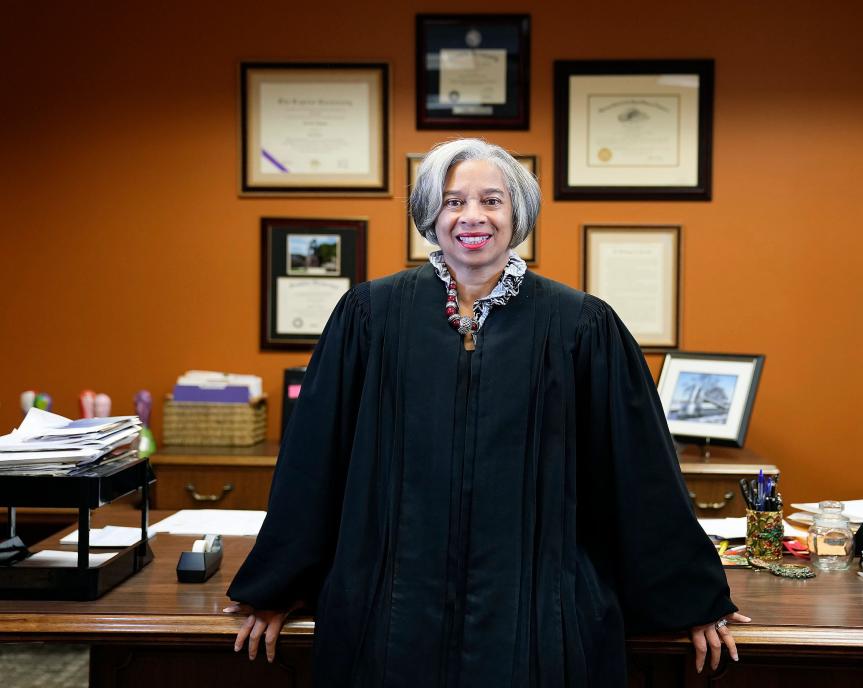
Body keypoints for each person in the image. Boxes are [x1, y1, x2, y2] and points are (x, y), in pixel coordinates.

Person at [225, 138, 749, 686]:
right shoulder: (370, 316)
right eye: (453, 201)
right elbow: (315, 458)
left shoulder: (581, 325)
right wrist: (278, 586)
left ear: (517, 212)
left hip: (538, 614)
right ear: (430, 214)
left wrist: (691, 594)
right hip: (391, 612)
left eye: (491, 201)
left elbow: (637, 471)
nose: (472, 216)